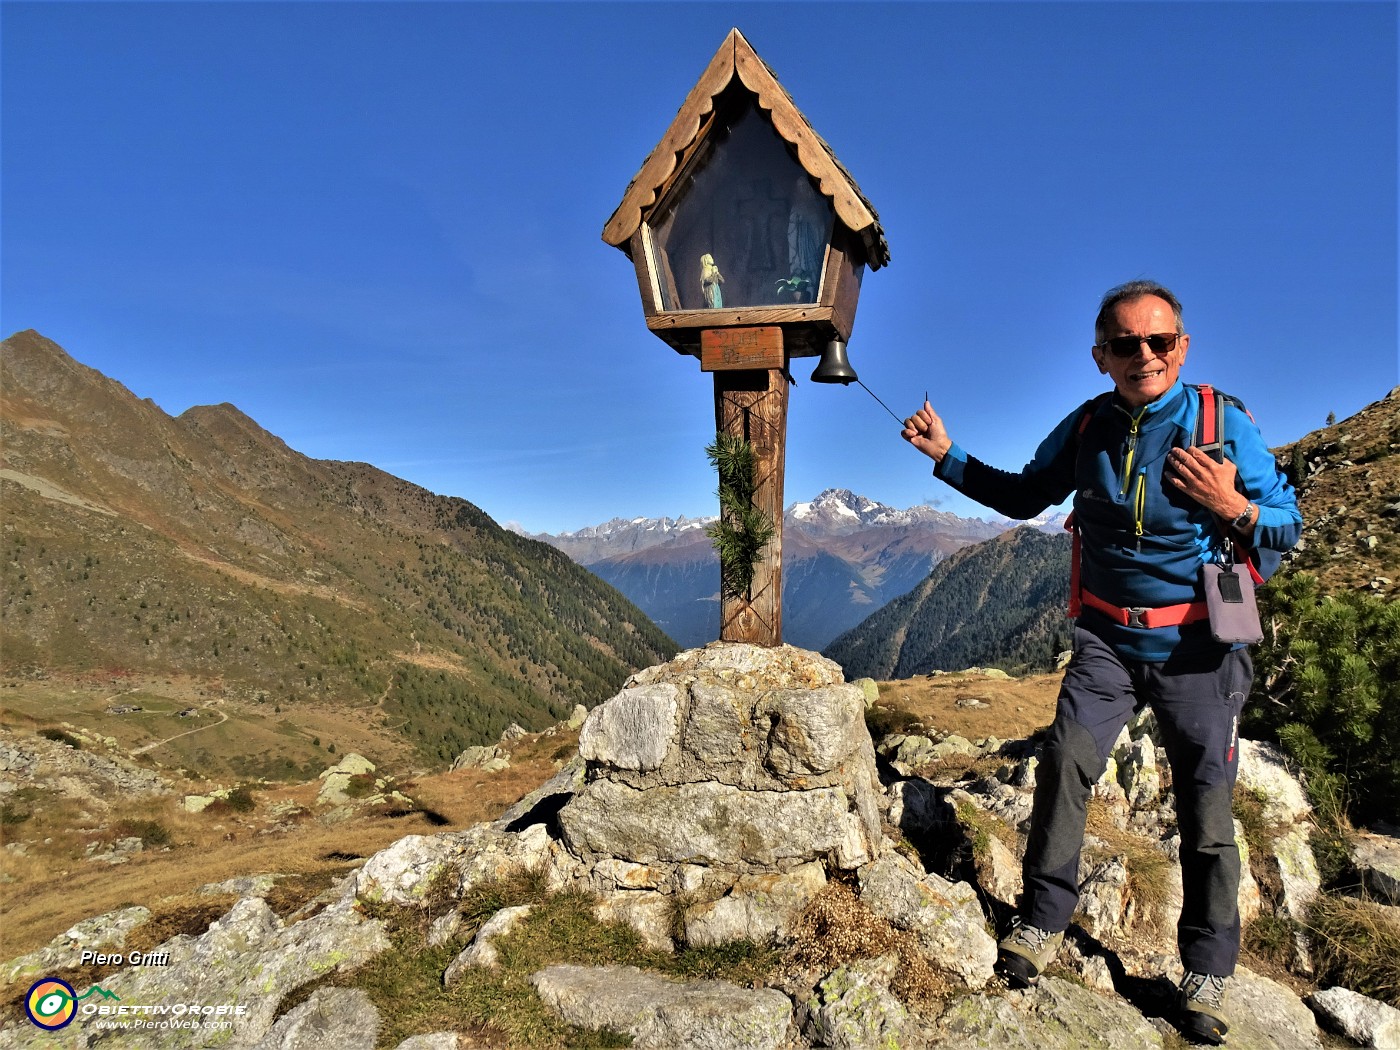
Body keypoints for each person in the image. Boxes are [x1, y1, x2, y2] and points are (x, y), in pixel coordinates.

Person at [901, 280, 1301, 1046]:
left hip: (1200, 647)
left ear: (1182, 347)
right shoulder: (1088, 426)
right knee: (1066, 765)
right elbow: (1025, 497)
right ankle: (1042, 922)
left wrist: (1236, 508)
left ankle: (1209, 968)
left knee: (1207, 808)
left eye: (1159, 341)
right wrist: (947, 457)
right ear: (1100, 356)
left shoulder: (1225, 423)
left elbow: (1289, 525)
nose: (1143, 355)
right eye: (1125, 344)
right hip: (1106, 641)